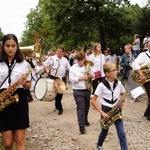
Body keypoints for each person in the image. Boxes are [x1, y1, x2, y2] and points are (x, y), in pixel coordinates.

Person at [0, 34, 31, 150]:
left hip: (20, 100)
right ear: (3, 47)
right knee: (8, 143)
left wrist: (24, 83)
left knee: (20, 139)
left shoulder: (23, 63)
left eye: (13, 46)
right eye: (7, 46)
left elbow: (29, 85)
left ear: (17, 47)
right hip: (3, 100)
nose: (10, 49)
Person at [91, 62, 128, 150]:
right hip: (106, 109)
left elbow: (123, 93)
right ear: (107, 73)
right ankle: (99, 146)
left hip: (116, 109)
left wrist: (121, 102)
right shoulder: (101, 85)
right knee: (104, 130)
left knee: (121, 132)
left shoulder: (118, 83)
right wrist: (103, 113)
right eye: (114, 70)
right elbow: (93, 101)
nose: (116, 71)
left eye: (116, 69)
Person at [35, 46, 70, 115]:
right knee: (55, 92)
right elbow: (44, 65)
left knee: (60, 93)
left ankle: (58, 106)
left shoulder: (65, 60)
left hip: (62, 78)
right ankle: (60, 108)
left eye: (60, 51)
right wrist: (47, 70)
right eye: (58, 51)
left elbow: (69, 68)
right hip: (53, 77)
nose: (58, 52)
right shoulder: (51, 58)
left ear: (63, 52)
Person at [69, 51, 94, 134]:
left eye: (81, 60)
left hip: (87, 89)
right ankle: (81, 126)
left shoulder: (87, 66)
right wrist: (81, 78)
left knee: (87, 106)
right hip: (77, 90)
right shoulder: (72, 68)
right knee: (81, 107)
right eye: (78, 60)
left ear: (84, 59)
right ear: (76, 59)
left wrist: (91, 76)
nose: (80, 61)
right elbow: (71, 79)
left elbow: (93, 75)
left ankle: (85, 119)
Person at [131, 41, 150, 120]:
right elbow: (134, 64)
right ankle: (147, 114)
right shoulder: (143, 55)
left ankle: (147, 113)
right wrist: (141, 74)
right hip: (147, 79)